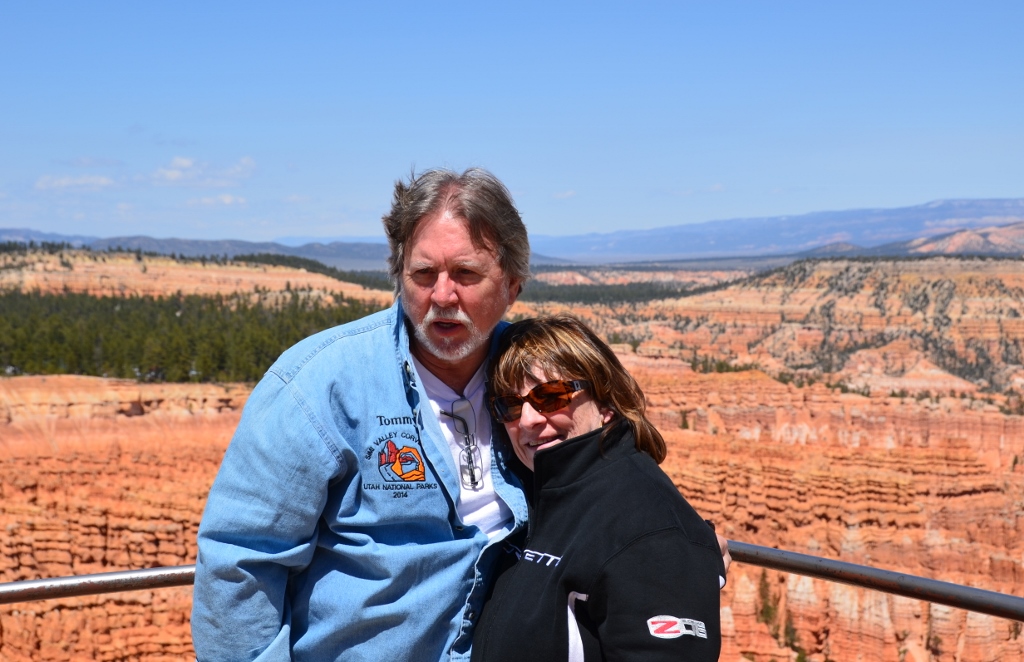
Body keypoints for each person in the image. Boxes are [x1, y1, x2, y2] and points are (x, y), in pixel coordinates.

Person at [191, 168, 533, 661]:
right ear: (398, 275)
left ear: (512, 287)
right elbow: (239, 561)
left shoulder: (540, 385)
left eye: (466, 274)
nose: (442, 296)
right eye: (422, 274)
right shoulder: (320, 385)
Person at [471, 315, 724, 662]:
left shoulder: (650, 529)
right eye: (511, 405)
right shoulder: (535, 495)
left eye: (551, 395)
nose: (528, 419)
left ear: (605, 404)